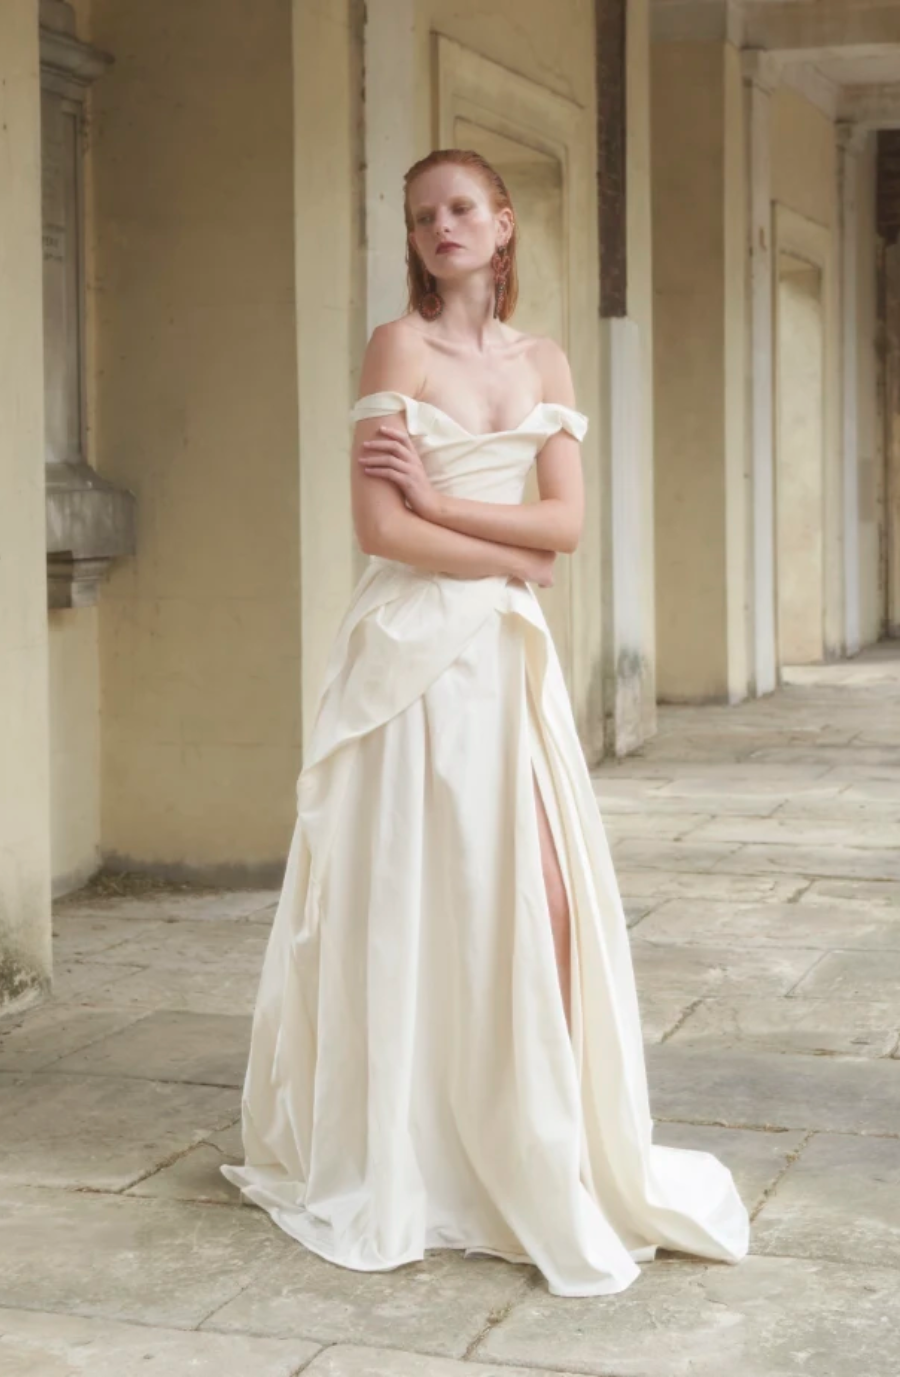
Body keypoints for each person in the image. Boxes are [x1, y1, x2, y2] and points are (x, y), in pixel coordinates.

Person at [221, 148, 749, 1297]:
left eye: (461, 208)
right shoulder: (396, 348)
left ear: (502, 223)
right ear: (413, 240)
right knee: (422, 884)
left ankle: (534, 1131)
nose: (441, 227)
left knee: (539, 896)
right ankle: (417, 1143)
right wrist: (505, 548)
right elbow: (381, 533)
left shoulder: (546, 357)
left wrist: (458, 508)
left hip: (506, 656)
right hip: (410, 655)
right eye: (422, 217)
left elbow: (563, 526)